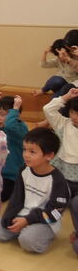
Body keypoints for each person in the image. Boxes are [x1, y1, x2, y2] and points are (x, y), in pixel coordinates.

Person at [0, 128, 70, 253]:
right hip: (23, 213)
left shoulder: (57, 180)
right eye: (24, 149)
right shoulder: (24, 170)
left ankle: (42, 234)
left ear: (49, 155)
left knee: (28, 241)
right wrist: (9, 217)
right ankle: (25, 230)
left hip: (45, 219)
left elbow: (55, 211)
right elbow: (17, 198)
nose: (26, 155)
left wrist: (27, 220)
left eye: (32, 152)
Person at [43, 88, 78, 254]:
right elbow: (48, 109)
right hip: (64, 178)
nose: (75, 117)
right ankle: (45, 230)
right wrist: (66, 96)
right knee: (54, 205)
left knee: (76, 207)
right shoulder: (63, 124)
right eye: (72, 112)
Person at [0, 93, 28, 202]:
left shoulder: (20, 127)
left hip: (12, 175)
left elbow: (10, 126)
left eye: (2, 114)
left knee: (0, 196)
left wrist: (15, 108)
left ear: (15, 114)